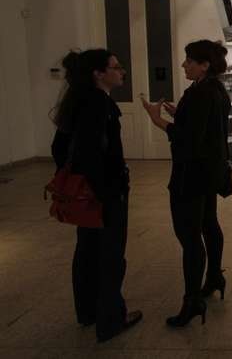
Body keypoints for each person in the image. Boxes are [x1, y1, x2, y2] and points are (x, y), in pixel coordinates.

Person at [50, 49, 142, 342]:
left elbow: (58, 148)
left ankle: (88, 311)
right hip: (103, 194)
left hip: (87, 193)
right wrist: (106, 190)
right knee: (110, 256)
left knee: (87, 251)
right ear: (98, 74)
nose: (122, 71)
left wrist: (79, 180)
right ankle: (111, 320)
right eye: (116, 67)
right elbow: (93, 153)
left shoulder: (78, 101)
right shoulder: (99, 104)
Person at [141, 40, 231, 327]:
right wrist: (179, 113)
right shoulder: (215, 89)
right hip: (209, 172)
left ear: (204, 65)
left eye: (189, 61)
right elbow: (203, 127)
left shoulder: (201, 93)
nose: (183, 65)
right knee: (209, 224)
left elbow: (189, 139)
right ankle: (214, 276)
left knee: (190, 237)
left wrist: (157, 119)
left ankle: (192, 301)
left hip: (191, 174)